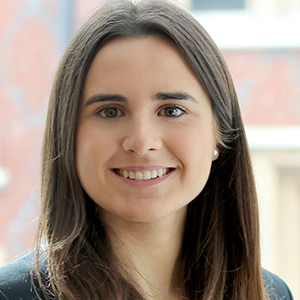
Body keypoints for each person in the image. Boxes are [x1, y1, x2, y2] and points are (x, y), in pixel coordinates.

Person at [0, 0, 294, 299]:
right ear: (68, 134)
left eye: (172, 111)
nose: (141, 142)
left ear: (219, 133)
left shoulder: (272, 294)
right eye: (110, 112)